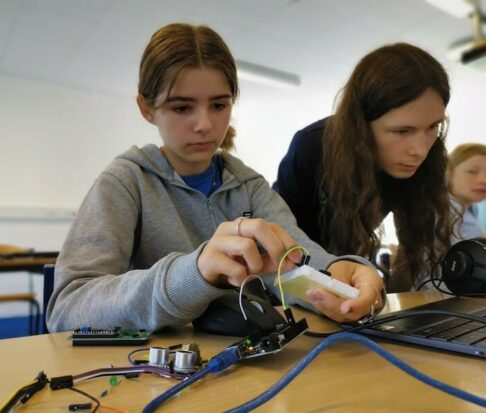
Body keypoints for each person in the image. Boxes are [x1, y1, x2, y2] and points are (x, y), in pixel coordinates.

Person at [46, 23, 384, 333]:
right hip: (151, 376)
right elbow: (66, 309)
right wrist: (192, 274)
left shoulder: (249, 186)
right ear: (146, 109)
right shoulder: (124, 183)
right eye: (182, 108)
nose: (205, 124)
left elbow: (298, 257)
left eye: (219, 105)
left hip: (245, 366)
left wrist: (346, 274)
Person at [273, 43, 453, 292]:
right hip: (292, 282)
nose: (420, 150)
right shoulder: (311, 146)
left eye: (433, 127)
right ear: (361, 125)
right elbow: (283, 245)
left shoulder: (418, 160)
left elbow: (412, 244)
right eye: (402, 131)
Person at [448, 143, 486, 241]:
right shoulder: (443, 211)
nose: (483, 180)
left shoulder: (471, 208)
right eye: (472, 172)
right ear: (448, 172)